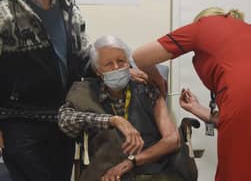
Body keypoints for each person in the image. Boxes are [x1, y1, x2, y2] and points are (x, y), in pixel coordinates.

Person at [132, 7, 251, 181]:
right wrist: (197, 109)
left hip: (243, 101)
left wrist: (157, 78)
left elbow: (140, 56)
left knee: (238, 169)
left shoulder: (202, 26)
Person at [58, 35, 184, 181]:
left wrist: (132, 161)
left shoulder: (147, 89)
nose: (116, 67)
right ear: (98, 71)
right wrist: (112, 121)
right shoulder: (85, 92)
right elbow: (65, 121)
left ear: (128, 63)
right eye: (109, 64)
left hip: (150, 173)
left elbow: (172, 140)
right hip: (105, 173)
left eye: (120, 61)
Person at [0, 0, 94, 180]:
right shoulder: (5, 6)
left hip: (62, 120)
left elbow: (82, 54)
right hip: (20, 120)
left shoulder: (67, 4)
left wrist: (114, 68)